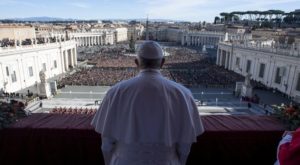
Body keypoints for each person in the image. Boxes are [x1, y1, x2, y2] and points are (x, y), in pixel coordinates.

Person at [91, 41, 204, 165]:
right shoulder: (183, 94)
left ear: (136, 63)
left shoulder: (115, 92)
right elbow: (185, 145)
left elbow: (106, 143)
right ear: (162, 63)